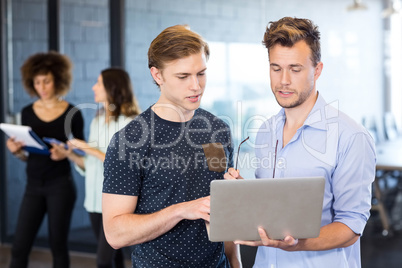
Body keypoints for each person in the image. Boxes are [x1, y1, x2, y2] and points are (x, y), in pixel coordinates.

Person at [224, 17, 376, 268]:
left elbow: (351, 226)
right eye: (275, 68)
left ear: (317, 70)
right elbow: (272, 208)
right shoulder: (265, 131)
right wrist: (244, 196)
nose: (283, 80)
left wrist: (296, 243)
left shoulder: (350, 137)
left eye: (295, 69)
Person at [102, 25, 241, 268]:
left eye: (201, 74)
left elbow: (223, 212)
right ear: (157, 75)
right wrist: (180, 210)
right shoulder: (130, 141)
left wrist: (235, 262)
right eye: (183, 76)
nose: (196, 86)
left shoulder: (217, 129)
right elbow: (115, 234)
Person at [53, 67, 141, 268]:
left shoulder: (130, 122)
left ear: (112, 88)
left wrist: (87, 147)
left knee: (103, 261)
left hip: (117, 201)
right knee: (114, 257)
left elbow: (123, 165)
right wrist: (70, 154)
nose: (93, 87)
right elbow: (90, 165)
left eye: (98, 83)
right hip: (93, 201)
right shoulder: (98, 120)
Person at [5, 51, 84, 268]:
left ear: (57, 80)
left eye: (46, 81)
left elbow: (82, 153)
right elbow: (27, 155)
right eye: (37, 82)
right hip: (33, 186)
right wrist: (16, 151)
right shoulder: (27, 112)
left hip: (60, 186)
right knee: (20, 246)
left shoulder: (73, 113)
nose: (41, 87)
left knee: (58, 245)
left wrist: (66, 154)